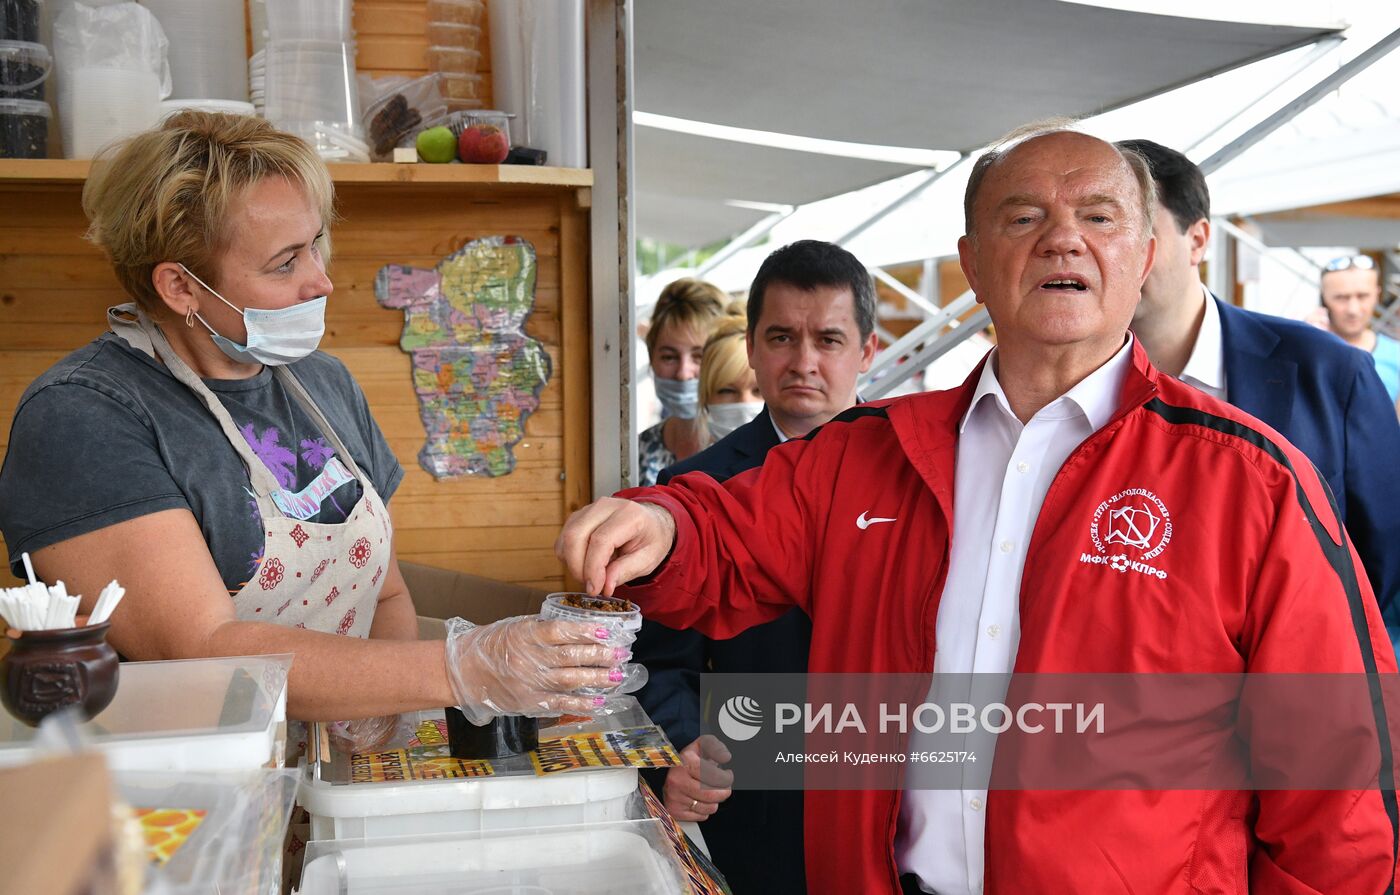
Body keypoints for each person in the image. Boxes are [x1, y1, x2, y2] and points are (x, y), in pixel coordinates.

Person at [556, 127, 1398, 894]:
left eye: (1098, 216)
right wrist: (662, 526)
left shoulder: (1250, 480)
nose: (1062, 237)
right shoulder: (870, 451)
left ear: (1145, 255)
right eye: (1024, 215)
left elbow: (1338, 778)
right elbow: (727, 537)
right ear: (973, 258)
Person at [0, 112, 623, 748]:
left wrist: (383, 727)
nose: (321, 279)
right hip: (200, 796)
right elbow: (203, 650)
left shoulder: (322, 383)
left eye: (316, 243)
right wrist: (463, 667)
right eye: (284, 261)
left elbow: (385, 598)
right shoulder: (84, 417)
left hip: (336, 772)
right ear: (181, 286)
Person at [636, 240, 878, 895]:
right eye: (781, 337)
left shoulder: (919, 479)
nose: (804, 362)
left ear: (868, 351)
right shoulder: (693, 488)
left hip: (888, 803)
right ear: (750, 344)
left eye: (829, 338)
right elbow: (659, 661)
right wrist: (681, 751)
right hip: (753, 804)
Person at [1121, 138, 1400, 632]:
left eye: (1133, 230)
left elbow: (1382, 553)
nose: (1109, 253)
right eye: (1097, 227)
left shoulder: (1329, 371)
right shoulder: (1066, 383)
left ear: (1198, 240)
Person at [637, 278, 729, 485]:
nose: (683, 373)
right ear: (652, 359)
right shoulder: (637, 451)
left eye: (699, 356)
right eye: (669, 357)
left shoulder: (750, 450)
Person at [1319, 255, 1400, 403]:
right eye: (1341, 298)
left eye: (1362, 296)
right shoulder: (1306, 352)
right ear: (1324, 298)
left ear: (1377, 295)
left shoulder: (1397, 355)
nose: (1353, 310)